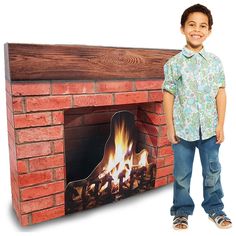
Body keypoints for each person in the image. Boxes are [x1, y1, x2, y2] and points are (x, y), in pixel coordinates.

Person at [162, 4, 232, 230]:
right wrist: (169, 127)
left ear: (209, 31)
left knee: (212, 171)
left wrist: (221, 124)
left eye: (203, 26)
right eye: (191, 25)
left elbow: (220, 93)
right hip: (183, 129)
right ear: (182, 28)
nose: (197, 30)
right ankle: (181, 211)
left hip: (210, 129)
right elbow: (168, 94)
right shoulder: (174, 64)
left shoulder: (215, 62)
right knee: (182, 174)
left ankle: (215, 208)